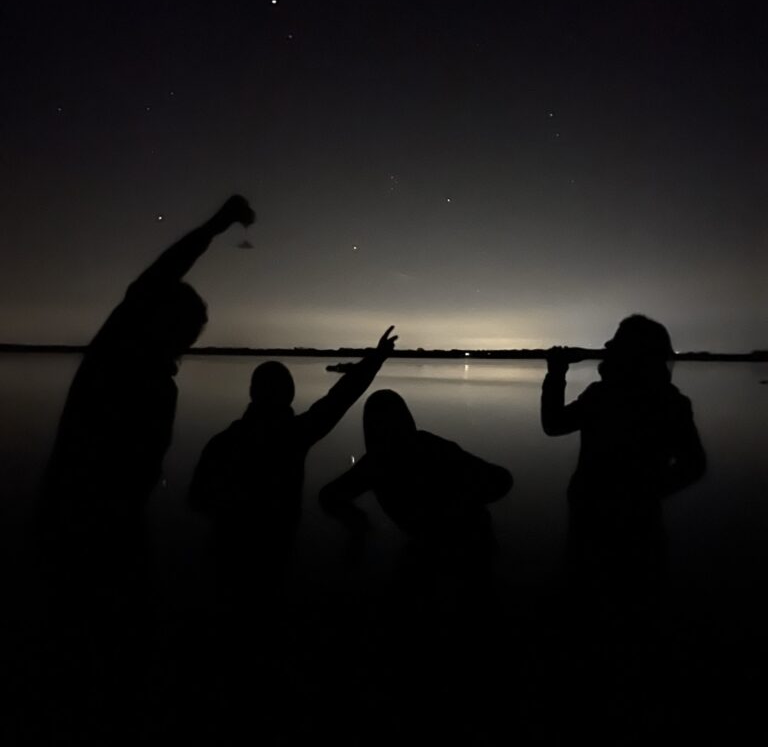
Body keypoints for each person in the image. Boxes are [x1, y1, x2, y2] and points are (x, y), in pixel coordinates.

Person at [39, 195, 255, 584]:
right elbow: (161, 274)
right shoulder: (114, 357)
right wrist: (216, 225)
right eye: (183, 327)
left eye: (190, 332)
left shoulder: (159, 386)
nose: (185, 339)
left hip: (120, 529)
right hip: (70, 522)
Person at [188, 327, 399, 578]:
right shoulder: (294, 436)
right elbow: (340, 397)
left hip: (222, 556)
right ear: (289, 395)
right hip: (273, 556)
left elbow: (197, 499)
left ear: (253, 394)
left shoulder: (223, 442)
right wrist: (376, 358)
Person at [541, 314, 706, 604]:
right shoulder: (670, 401)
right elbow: (692, 466)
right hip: (633, 519)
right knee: (636, 597)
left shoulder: (604, 396)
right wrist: (648, 494)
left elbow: (553, 424)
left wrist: (556, 374)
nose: (608, 344)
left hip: (598, 516)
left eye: (616, 340)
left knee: (590, 595)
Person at [319, 389, 513, 590]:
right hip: (444, 547)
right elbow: (329, 496)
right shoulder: (381, 462)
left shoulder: (393, 459)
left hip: (468, 546)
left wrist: (456, 506)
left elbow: (502, 480)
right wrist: (356, 524)